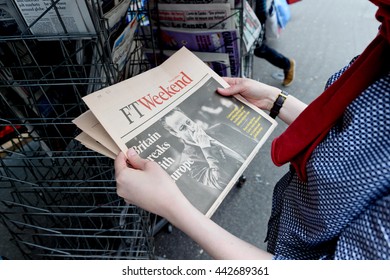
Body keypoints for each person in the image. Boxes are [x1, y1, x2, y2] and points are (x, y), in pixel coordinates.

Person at [115, 0, 390, 259]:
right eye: (182, 129)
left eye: (187, 123)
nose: (190, 130)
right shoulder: (385, 40)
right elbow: (352, 138)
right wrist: (276, 100)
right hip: (295, 228)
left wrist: (170, 207)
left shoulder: (219, 130)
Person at [160, 107, 246, 191]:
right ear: (175, 133)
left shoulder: (220, 128)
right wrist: (206, 148)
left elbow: (251, 143)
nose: (192, 129)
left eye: (188, 122)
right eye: (183, 128)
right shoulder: (187, 162)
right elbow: (221, 182)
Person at [254, 0, 296, 87]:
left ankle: (287, 64)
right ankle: (287, 64)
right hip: (252, 9)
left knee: (258, 48)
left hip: (256, 12)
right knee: (257, 48)